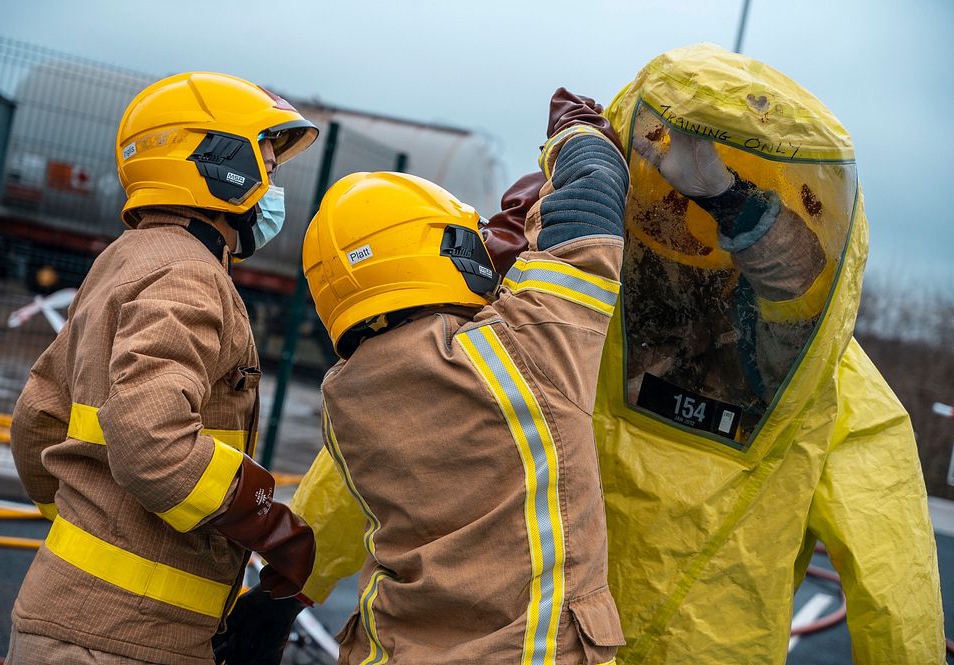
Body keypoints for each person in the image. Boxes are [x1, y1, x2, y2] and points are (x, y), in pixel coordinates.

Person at [289, 45, 946, 664]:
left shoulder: (561, 319)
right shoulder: (826, 385)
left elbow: (402, 436)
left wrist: (288, 579)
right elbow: (896, 586)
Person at [293, 89, 627, 664]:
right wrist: (578, 135)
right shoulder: (520, 348)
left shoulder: (344, 398)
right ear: (447, 250)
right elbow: (591, 210)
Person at [8, 72, 320, 665]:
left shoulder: (123, 259)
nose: (274, 192)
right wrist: (264, 521)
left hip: (65, 621)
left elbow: (37, 419)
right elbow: (149, 437)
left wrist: (83, 522)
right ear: (222, 165)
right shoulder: (191, 275)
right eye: (269, 170)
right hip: (130, 642)